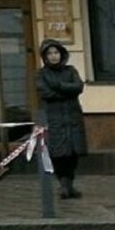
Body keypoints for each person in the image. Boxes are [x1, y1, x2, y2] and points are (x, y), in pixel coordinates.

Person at [36, 39, 88, 199]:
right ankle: (63, 184)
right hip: (54, 120)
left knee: (73, 153)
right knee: (58, 154)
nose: (53, 56)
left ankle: (69, 185)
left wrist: (58, 86)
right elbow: (45, 93)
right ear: (45, 56)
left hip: (73, 118)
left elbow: (78, 87)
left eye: (56, 52)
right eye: (50, 53)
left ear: (61, 54)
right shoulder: (42, 74)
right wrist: (67, 90)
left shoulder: (70, 70)